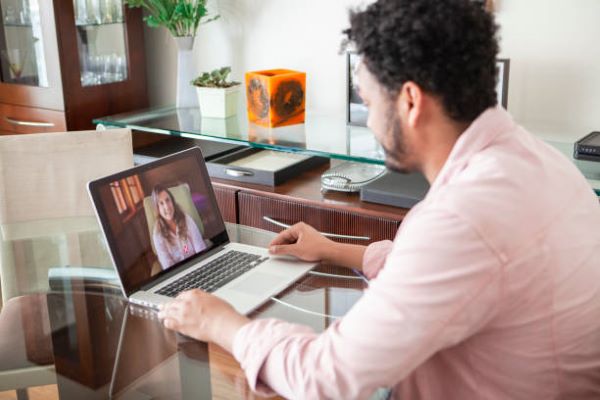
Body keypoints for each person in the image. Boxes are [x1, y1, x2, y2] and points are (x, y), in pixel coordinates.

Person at [158, 0, 600, 398]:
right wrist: (332, 248)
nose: (369, 122)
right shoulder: (533, 156)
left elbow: (326, 377)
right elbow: (453, 271)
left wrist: (220, 322)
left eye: (368, 102)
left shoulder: (463, 218)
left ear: (410, 101)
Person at [151, 184, 206, 270]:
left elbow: (199, 247)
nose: (167, 207)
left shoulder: (186, 218)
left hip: (197, 264)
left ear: (172, 201)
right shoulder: (157, 235)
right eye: (161, 203)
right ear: (157, 209)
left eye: (167, 200)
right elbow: (168, 266)